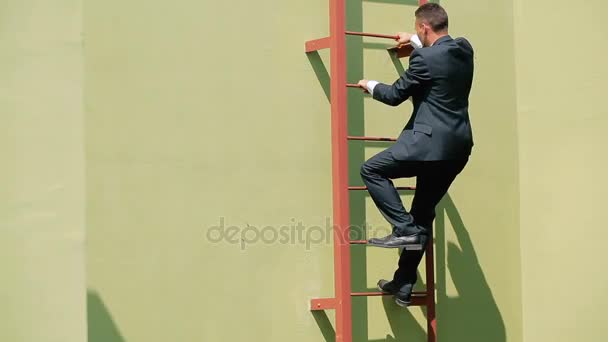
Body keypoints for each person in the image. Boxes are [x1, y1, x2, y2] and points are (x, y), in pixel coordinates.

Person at [356, 3, 474, 307]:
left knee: (372, 170)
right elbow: (437, 50)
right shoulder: (464, 49)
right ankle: (404, 283)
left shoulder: (423, 58)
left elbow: (395, 95)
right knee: (423, 213)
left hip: (428, 145)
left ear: (423, 27)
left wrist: (369, 85)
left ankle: (403, 229)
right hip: (458, 149)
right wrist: (414, 38)